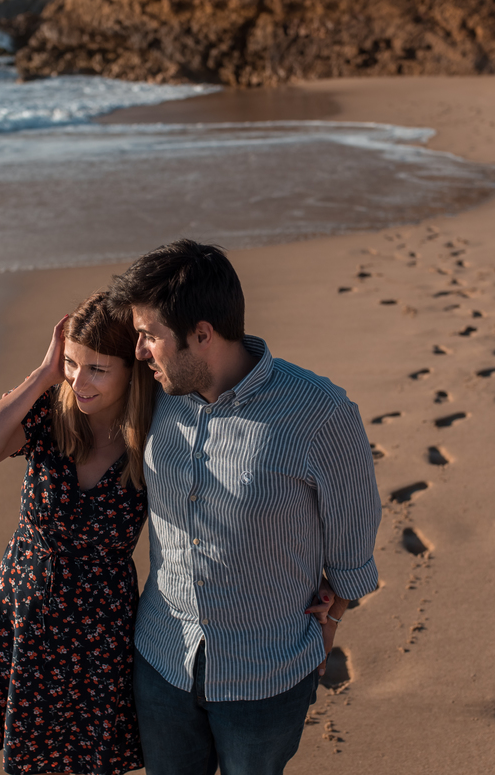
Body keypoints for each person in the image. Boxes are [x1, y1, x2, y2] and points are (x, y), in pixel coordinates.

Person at [108, 240, 382, 775]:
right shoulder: (150, 396)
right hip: (162, 661)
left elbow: (352, 536)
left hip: (267, 677)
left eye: (149, 336)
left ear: (203, 334)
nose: (139, 351)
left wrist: (335, 616)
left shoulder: (319, 412)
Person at [0, 290, 155, 775]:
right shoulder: (48, 414)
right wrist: (42, 376)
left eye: (97, 369)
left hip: (100, 632)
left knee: (92, 762)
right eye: (71, 363)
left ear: (133, 370)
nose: (79, 381)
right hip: (29, 615)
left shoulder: (153, 435)